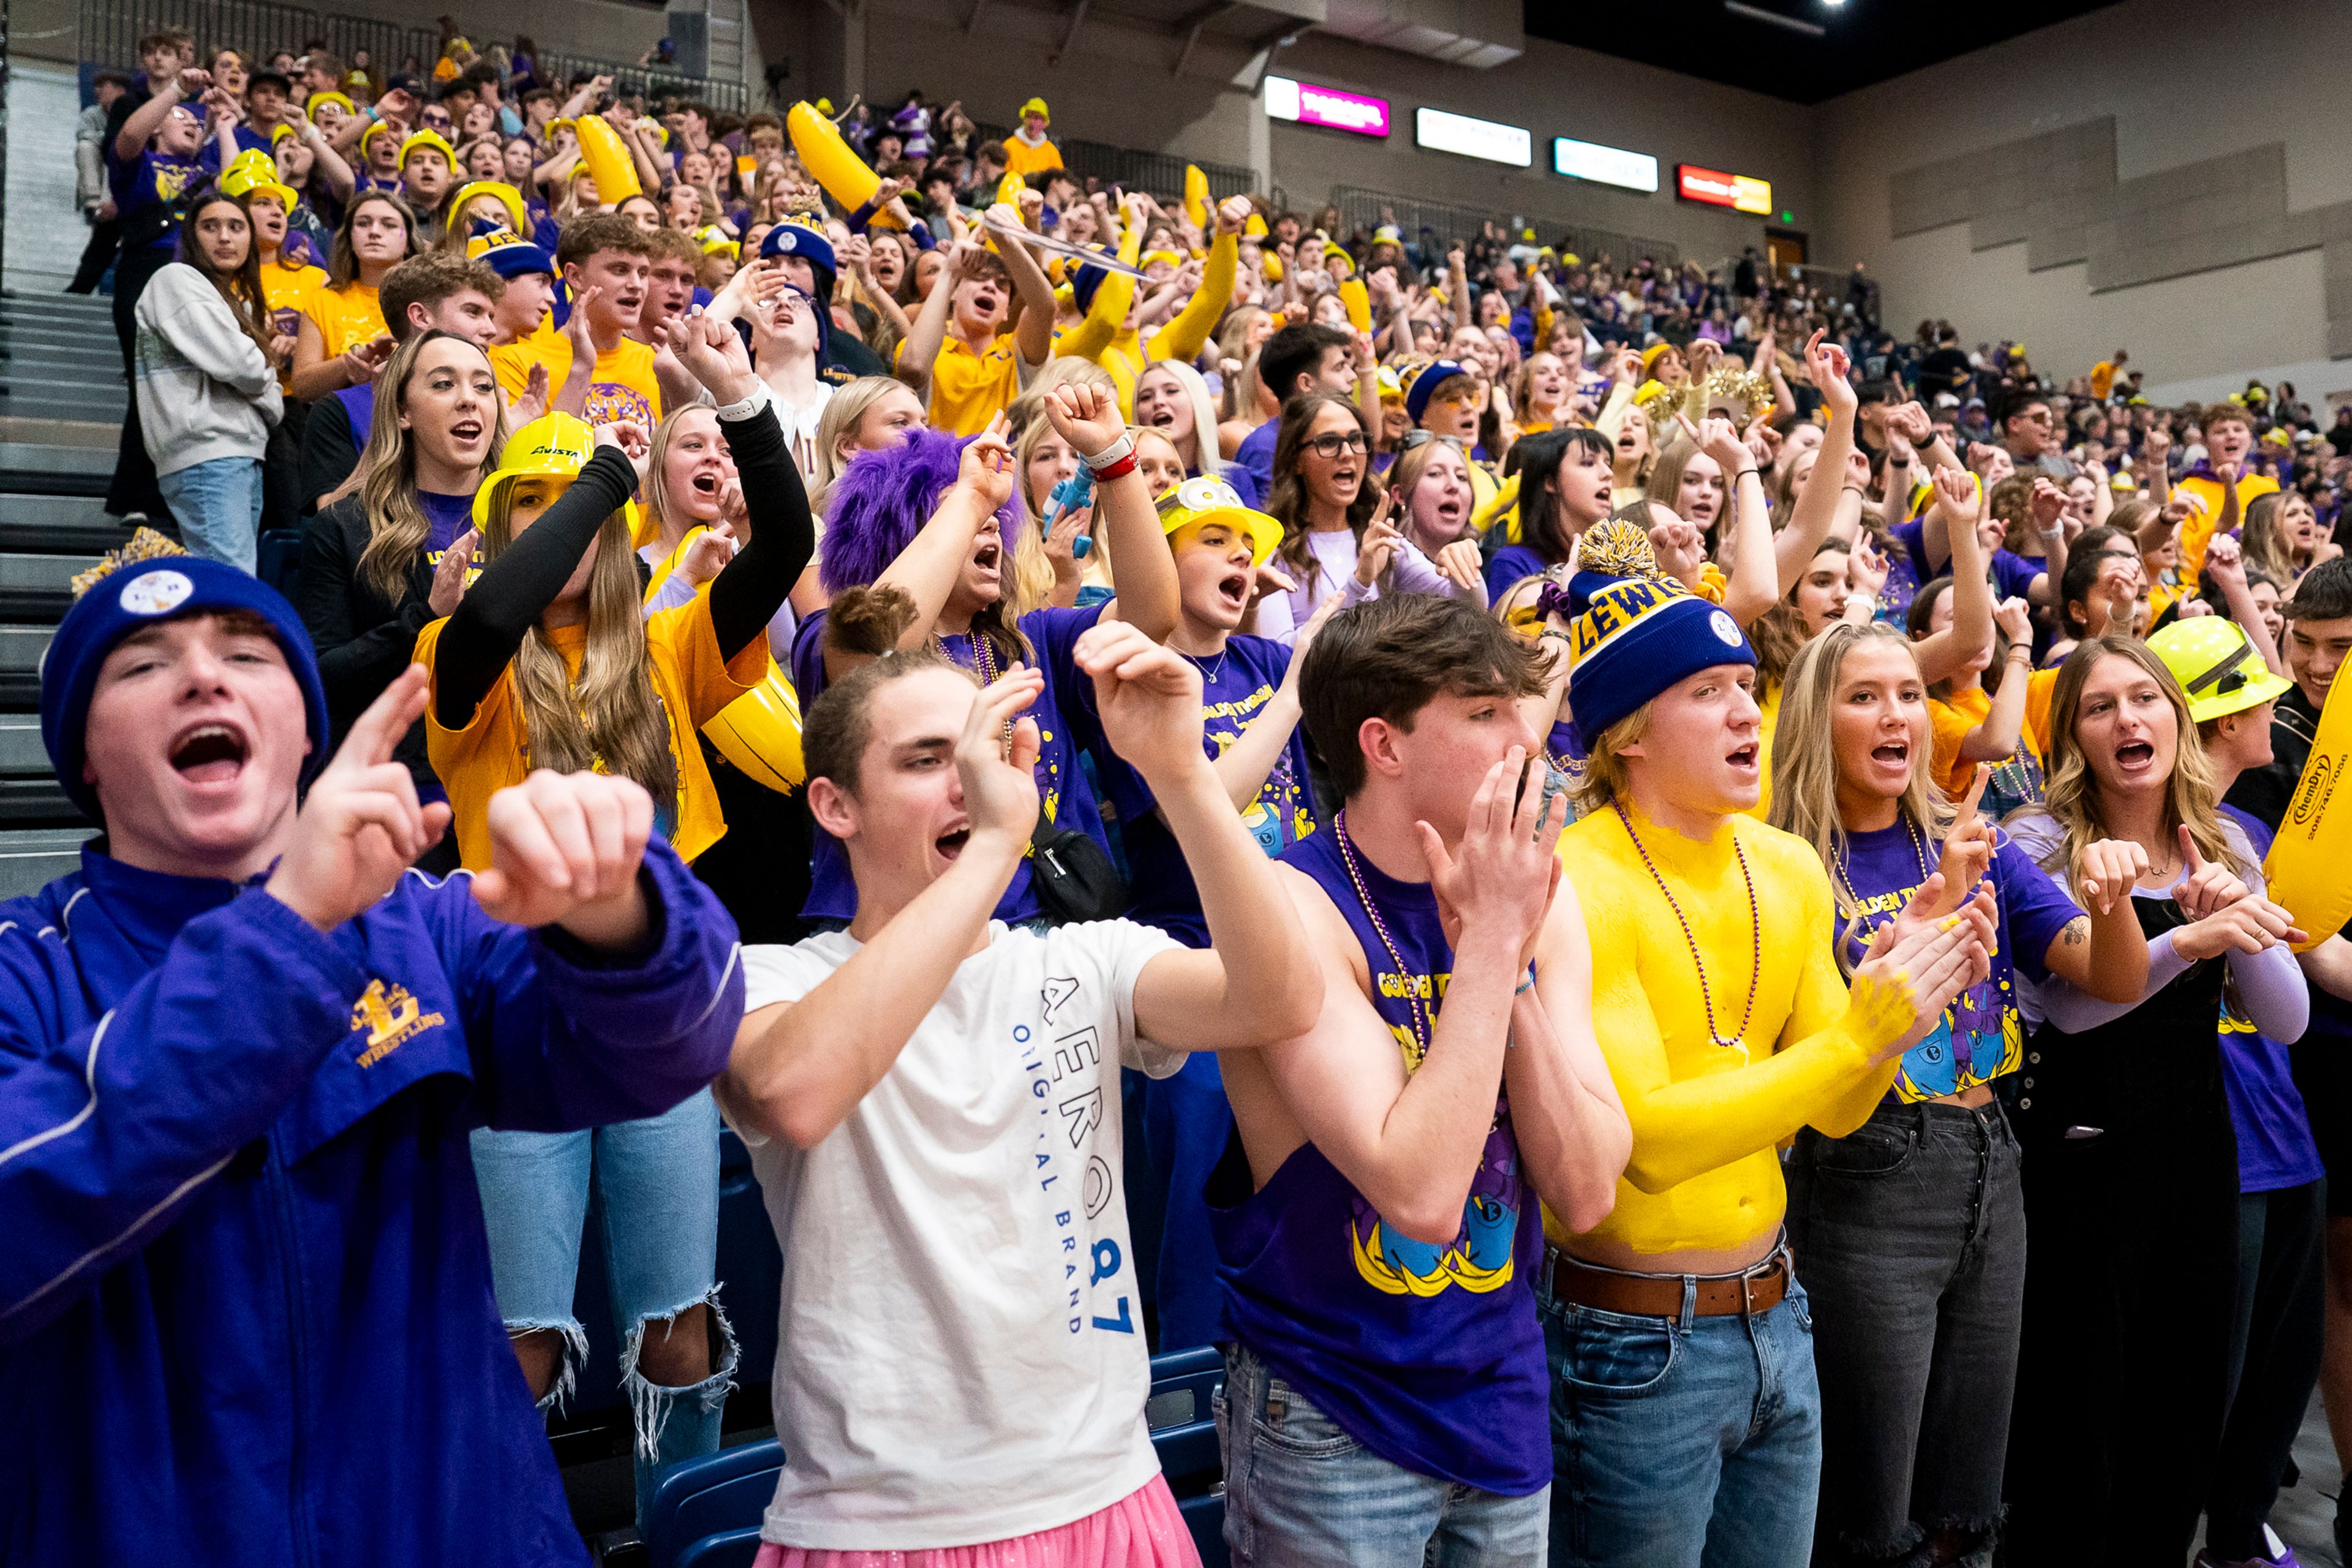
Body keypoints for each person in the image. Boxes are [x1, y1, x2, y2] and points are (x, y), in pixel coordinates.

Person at [0, 545, 746, 1562]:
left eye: (248, 654)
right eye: (139, 665)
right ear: (80, 751)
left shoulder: (424, 928)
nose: (202, 677)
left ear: (309, 725)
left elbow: (675, 1046)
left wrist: (620, 908)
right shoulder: (24, 973)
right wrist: (292, 928)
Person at [718, 584, 1317, 1557]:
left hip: (1112, 1496)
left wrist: (1181, 775)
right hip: (884, 1527)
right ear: (833, 805)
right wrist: (996, 842)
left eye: (984, 757)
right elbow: (796, 1091)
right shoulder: (769, 978)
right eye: (929, 763)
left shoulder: (1078, 958)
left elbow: (1278, 1002)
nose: (971, 785)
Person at [414, 314, 812, 1523]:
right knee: (527, 1335)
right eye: (525, 508)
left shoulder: (677, 640)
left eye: (574, 507)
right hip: (513, 1008)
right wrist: (600, 473)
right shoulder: (457, 647)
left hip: (654, 1008)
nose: (561, 529)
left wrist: (742, 403)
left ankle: (676, 1521)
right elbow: (488, 623)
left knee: (677, 1324)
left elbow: (785, 540)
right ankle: (508, 1533)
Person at [1545, 521, 1994, 1568]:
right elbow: (1645, 1140)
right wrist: (1856, 1040)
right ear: (1627, 736)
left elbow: (1837, 1109)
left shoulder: (1787, 864)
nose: (1748, 710)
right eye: (1707, 693)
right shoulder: (1576, 880)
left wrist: (1896, 1004)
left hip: (1778, 1312)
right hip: (1632, 1339)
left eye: (1747, 684)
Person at [1201, 590, 1629, 1560]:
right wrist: (1485, 952)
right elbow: (1421, 1196)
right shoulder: (1289, 907)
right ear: (1384, 747)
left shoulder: (1538, 896)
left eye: (1521, 707)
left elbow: (1590, 1187)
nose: (1528, 737)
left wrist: (1509, 957)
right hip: (1333, 1415)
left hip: (1503, 1395)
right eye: (1483, 713)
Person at [1766, 622, 2150, 1567]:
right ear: (1817, 719)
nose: (1896, 714)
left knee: (1969, 1497)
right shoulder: (1782, 861)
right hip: (1862, 1178)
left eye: (1907, 692)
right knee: (1872, 1499)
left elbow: (2111, 980)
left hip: (1996, 1164)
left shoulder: (1974, 843)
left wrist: (2110, 902)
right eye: (1864, 696)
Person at [2001, 636, 2312, 1564]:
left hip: (2198, 1155)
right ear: (2075, 735)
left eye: (2145, 700)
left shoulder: (2222, 837)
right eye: (2101, 707)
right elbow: (2073, 1006)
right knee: (2077, 1426)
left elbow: (2287, 1021)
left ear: (2178, 719)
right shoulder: (2038, 840)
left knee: (2180, 1422)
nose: (2129, 720)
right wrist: (2191, 936)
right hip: (2083, 1151)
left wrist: (2241, 924)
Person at [792, 385, 1174, 929]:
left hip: (1047, 929)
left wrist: (1114, 457)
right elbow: (880, 646)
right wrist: (969, 498)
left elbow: (1152, 616)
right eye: (954, 511)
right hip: (896, 933)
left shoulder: (1034, 640)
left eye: (996, 512)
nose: (991, 520)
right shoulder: (828, 638)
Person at [2147, 616, 2343, 1568]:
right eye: (2258, 694)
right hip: (2214, 1145)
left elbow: (2301, 986)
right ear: (2229, 721)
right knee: (2201, 1388)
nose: (2281, 696)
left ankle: (2240, 1540)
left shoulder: (2250, 829)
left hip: (2284, 1132)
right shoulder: (2130, 844)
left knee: (2280, 1369)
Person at [300, 329, 502, 875]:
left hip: (522, 788)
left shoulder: (530, 522)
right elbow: (320, 676)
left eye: (484, 386)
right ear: (403, 412)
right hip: (408, 799)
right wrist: (425, 621)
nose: (469, 398)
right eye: (444, 384)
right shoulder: (343, 529)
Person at [134, 190, 288, 572]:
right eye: (210, 227)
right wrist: (266, 378)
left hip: (238, 452)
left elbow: (262, 387)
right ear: (191, 237)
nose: (224, 237)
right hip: (207, 454)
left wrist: (262, 381)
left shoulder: (237, 303)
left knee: (232, 582)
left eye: (236, 227)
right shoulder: (174, 280)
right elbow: (248, 368)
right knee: (231, 587)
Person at [300, 249, 503, 514]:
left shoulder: (492, 403)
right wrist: (386, 434)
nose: (491, 329)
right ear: (420, 317)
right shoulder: (341, 409)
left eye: (491, 316)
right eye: (473, 312)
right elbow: (328, 521)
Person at [489, 212, 664, 428]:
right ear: (575, 276)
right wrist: (581, 369)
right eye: (620, 270)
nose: (636, 284)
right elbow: (531, 456)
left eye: (644, 273)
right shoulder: (517, 364)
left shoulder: (658, 364)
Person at [901, 214, 1057, 437]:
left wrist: (1005, 241)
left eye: (1002, 286)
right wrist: (949, 272)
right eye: (979, 278)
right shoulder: (928, 346)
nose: (991, 287)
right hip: (939, 469)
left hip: (1003, 468)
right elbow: (913, 367)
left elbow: (1044, 306)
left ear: (1006, 312)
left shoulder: (1016, 352)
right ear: (954, 292)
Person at [1254, 391, 1376, 641]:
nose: (1348, 453)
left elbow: (1465, 600)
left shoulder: (1379, 538)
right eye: (1329, 442)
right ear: (1296, 460)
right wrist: (1359, 583)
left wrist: (1464, 569)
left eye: (1356, 439)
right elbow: (1278, 653)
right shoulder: (1271, 550)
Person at [288, 190, 413, 401]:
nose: (374, 232)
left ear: (409, 241)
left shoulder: (429, 300)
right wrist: (351, 363)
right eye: (363, 224)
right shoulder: (323, 300)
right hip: (343, 423)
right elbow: (301, 387)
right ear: (350, 237)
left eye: (389, 225)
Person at [1225, 323, 1360, 508]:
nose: (1352, 376)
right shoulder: (1265, 447)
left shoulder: (1348, 434)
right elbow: (1273, 528)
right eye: (1339, 368)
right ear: (1306, 383)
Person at [1001, 94, 1061, 178]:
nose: (1032, 122)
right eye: (1029, 117)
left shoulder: (1052, 152)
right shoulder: (1009, 146)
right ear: (1024, 120)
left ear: (1044, 123)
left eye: (1037, 118)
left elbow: (1058, 180)